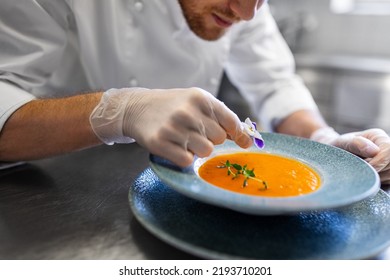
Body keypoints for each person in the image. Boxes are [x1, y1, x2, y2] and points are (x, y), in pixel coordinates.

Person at [0, 0, 389, 183]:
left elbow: (275, 85)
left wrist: (325, 141)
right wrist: (120, 111)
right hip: (46, 184)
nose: (248, 13)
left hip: (178, 190)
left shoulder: (244, 6)